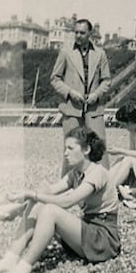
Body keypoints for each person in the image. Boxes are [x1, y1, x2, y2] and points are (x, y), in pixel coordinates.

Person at [0, 127, 120, 273]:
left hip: (103, 240)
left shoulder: (97, 173)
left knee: (50, 210)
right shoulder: (77, 173)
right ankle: (11, 258)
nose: (65, 153)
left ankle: (23, 270)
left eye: (70, 148)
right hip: (87, 232)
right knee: (40, 202)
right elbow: (51, 190)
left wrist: (33, 195)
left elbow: (68, 202)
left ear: (86, 149)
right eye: (65, 148)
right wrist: (24, 197)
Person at [50, 18, 111, 174]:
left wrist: (96, 94)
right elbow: (55, 79)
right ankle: (66, 189)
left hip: (94, 109)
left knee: (99, 148)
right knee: (71, 149)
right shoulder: (65, 52)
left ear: (90, 33)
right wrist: (70, 92)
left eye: (82, 33)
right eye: (76, 32)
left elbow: (106, 80)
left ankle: (104, 187)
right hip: (72, 109)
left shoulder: (100, 53)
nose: (78, 36)